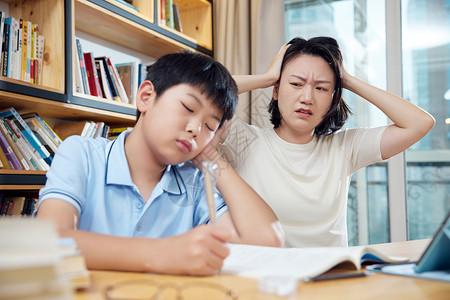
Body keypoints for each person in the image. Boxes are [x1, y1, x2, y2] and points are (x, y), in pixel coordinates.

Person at [35, 51, 284, 276]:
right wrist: (162, 253)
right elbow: (50, 241)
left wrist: (211, 157)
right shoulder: (82, 154)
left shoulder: (195, 182)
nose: (195, 129)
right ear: (146, 97)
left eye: (210, 126)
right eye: (188, 107)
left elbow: (267, 240)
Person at [219, 36, 435, 248]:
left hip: (331, 277)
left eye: (321, 88)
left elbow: (419, 123)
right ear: (276, 90)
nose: (307, 97)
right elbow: (202, 91)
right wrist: (266, 78)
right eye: (296, 83)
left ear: (333, 99)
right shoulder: (243, 139)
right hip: (268, 279)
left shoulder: (345, 147)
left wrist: (347, 80)